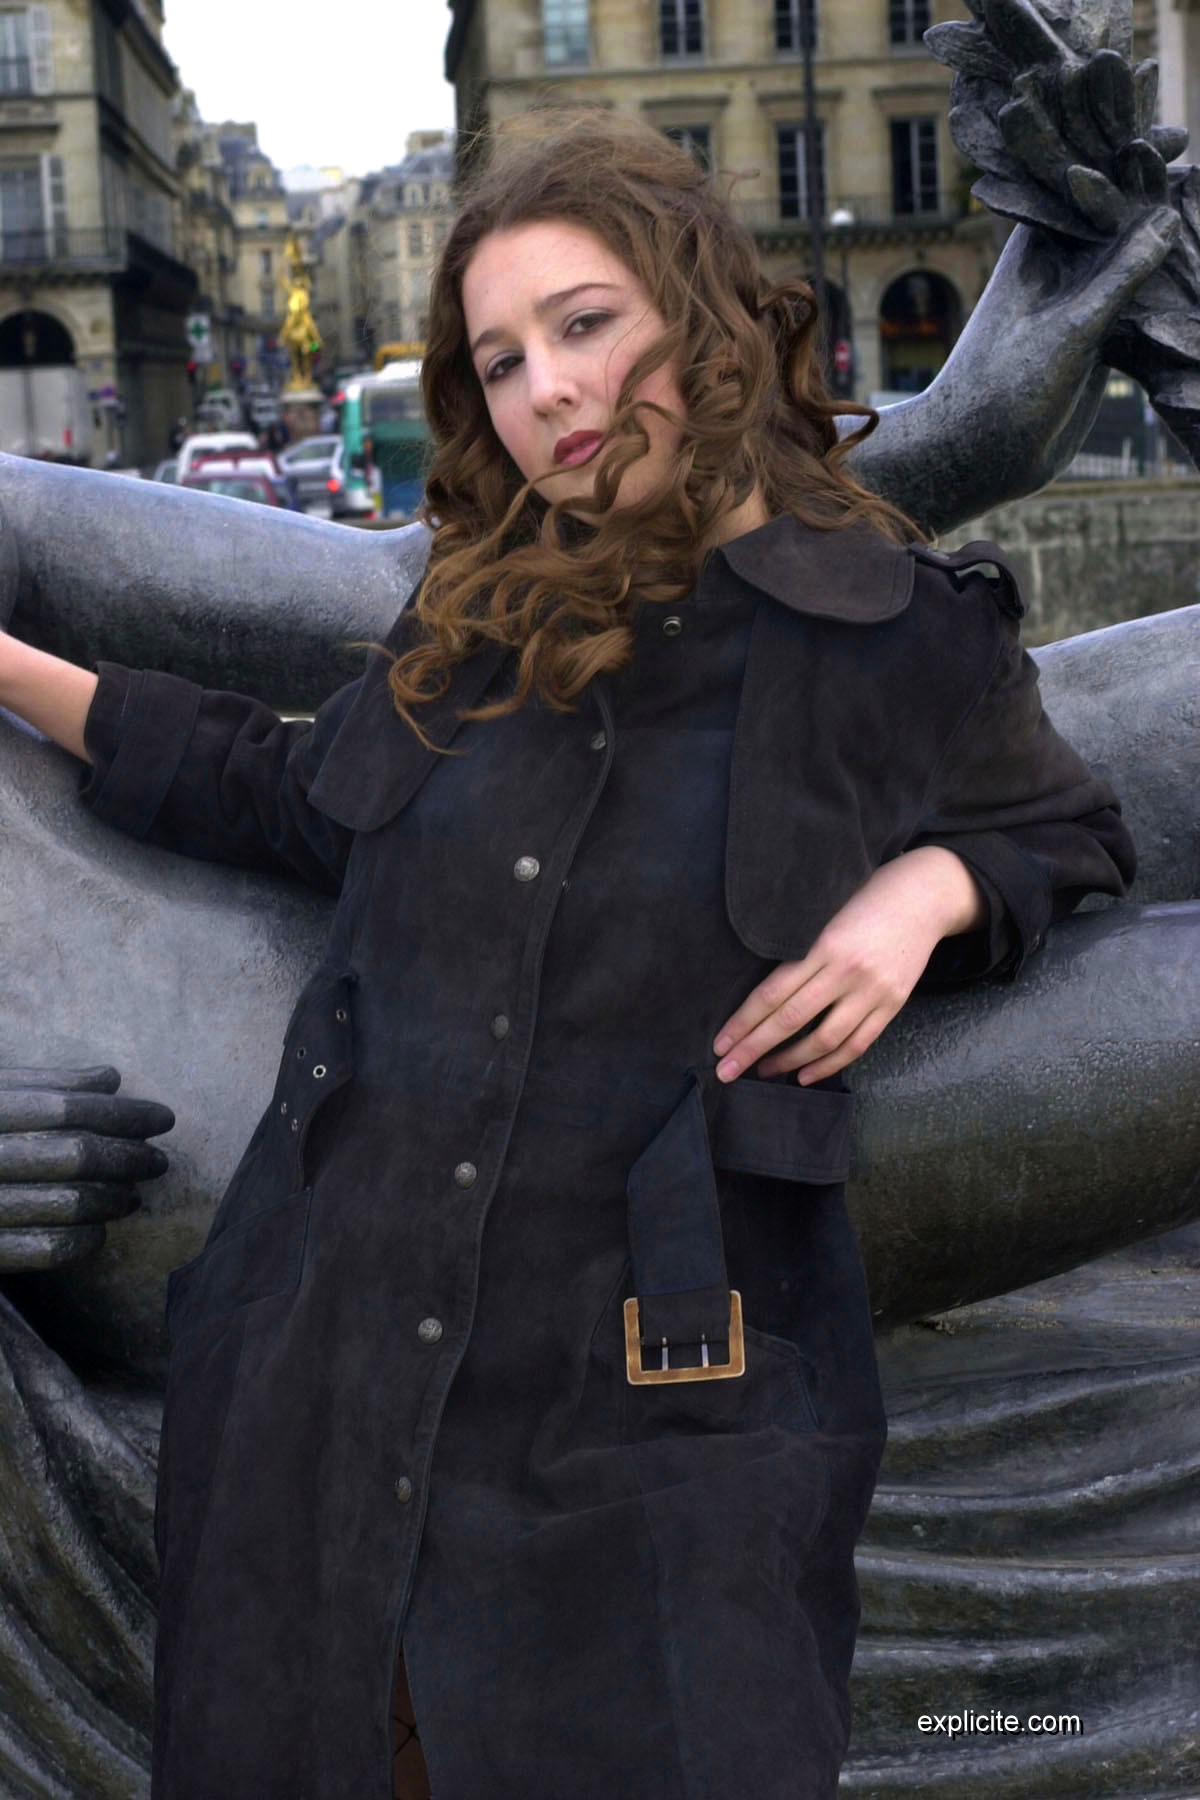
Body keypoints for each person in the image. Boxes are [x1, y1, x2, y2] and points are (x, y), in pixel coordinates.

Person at [0, 110, 1137, 1800]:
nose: (547, 388)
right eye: (502, 360)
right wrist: (12, 667)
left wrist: (926, 897)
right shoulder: (475, 623)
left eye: (585, 323)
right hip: (323, 1392)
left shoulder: (899, 638)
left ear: (700, 311)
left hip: (650, 1431)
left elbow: (1072, 833)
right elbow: (289, 795)